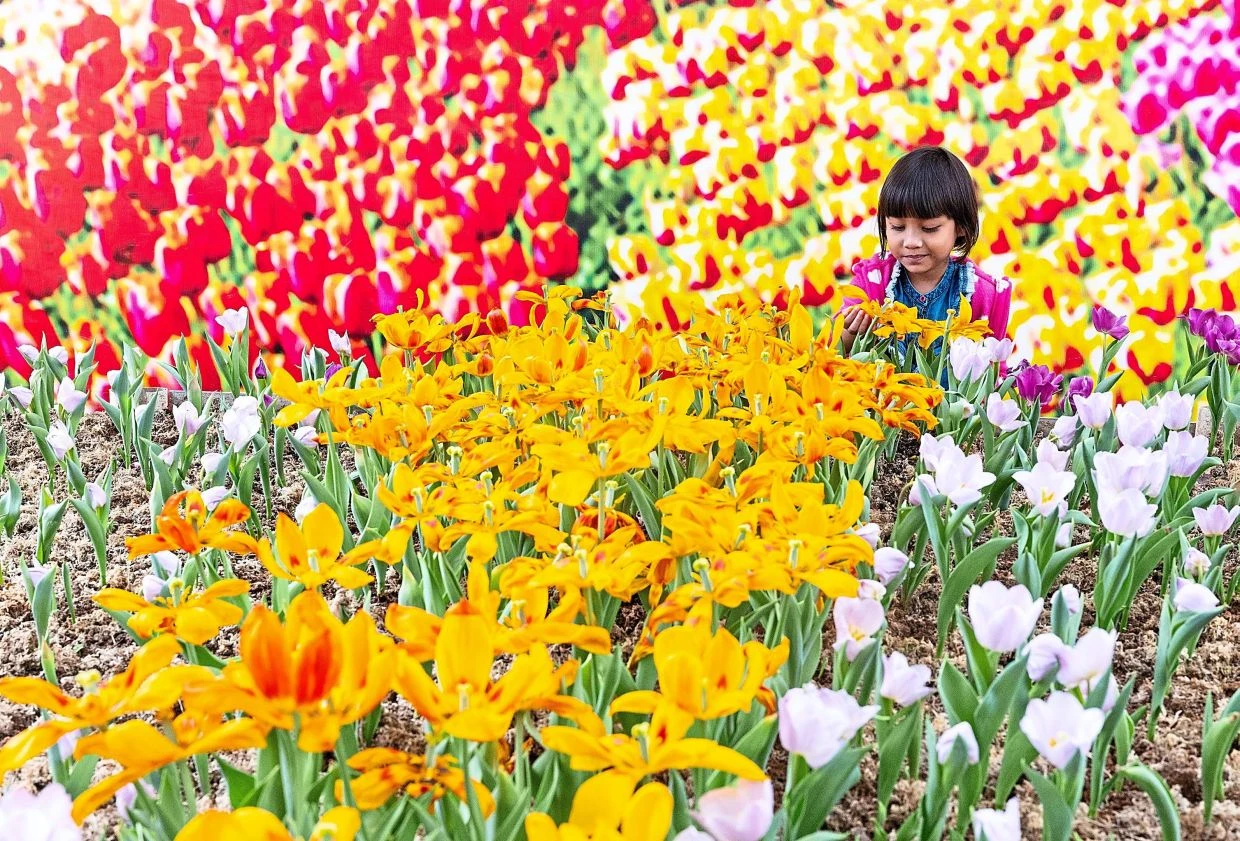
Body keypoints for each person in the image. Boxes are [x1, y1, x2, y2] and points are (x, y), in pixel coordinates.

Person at [838, 146, 1013, 361]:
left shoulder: (983, 294)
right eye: (897, 227)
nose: (911, 242)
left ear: (962, 226)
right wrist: (851, 332)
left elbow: (995, 372)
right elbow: (831, 349)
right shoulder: (871, 283)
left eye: (929, 228)